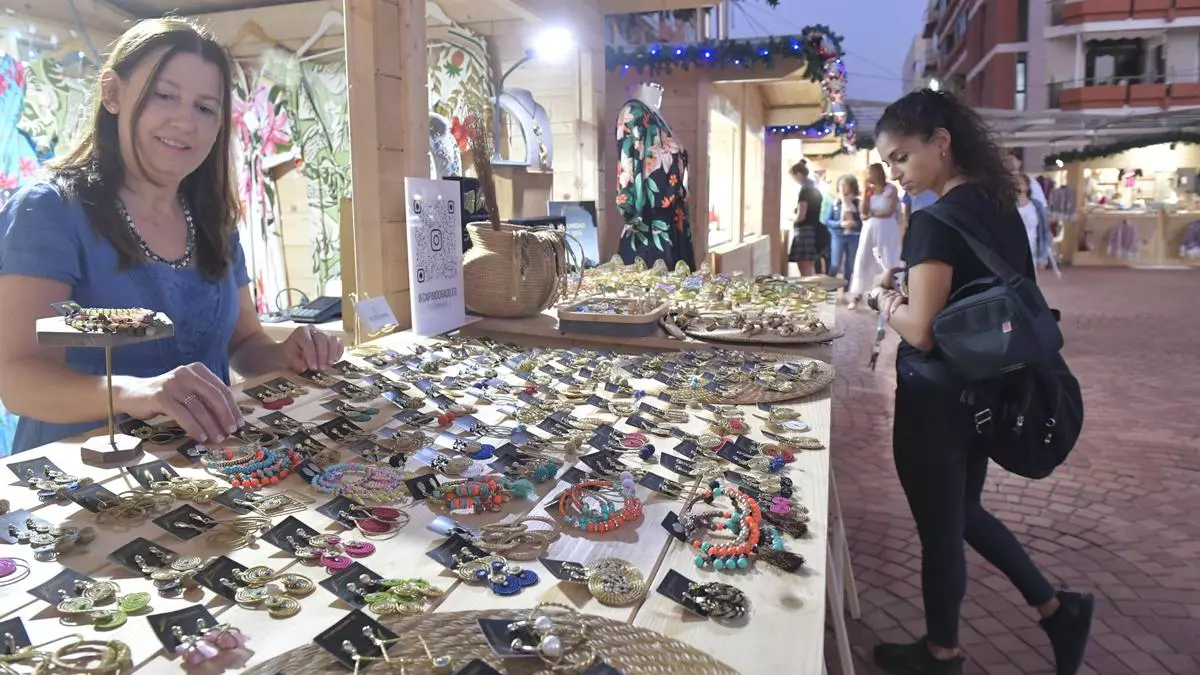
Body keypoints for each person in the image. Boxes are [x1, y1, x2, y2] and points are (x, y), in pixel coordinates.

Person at [0, 18, 344, 454]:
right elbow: (18, 379)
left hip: (211, 478)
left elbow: (244, 344)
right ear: (113, 93)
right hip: (84, 487)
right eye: (164, 96)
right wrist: (138, 392)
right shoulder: (48, 210)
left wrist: (285, 354)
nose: (184, 122)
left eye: (205, 107)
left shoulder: (214, 216)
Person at [870, 89, 1093, 675]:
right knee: (962, 511)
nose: (893, 173)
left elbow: (919, 329)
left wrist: (881, 297)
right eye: (887, 163)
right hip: (988, 391)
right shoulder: (994, 204)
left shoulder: (934, 220)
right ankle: (1055, 610)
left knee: (942, 528)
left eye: (900, 157)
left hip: (937, 399)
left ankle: (942, 652)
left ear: (940, 143)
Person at [846, 163, 902, 309]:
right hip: (870, 228)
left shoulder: (891, 189)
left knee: (887, 259)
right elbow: (863, 213)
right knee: (863, 258)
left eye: (870, 173)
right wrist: (865, 193)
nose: (868, 176)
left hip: (887, 228)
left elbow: (889, 211)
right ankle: (857, 294)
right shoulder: (869, 191)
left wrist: (872, 214)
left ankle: (890, 293)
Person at [822, 174, 862, 289]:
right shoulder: (835, 203)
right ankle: (830, 288)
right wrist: (840, 224)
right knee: (835, 264)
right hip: (838, 236)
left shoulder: (857, 203)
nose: (843, 188)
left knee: (850, 265)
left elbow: (862, 221)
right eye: (841, 185)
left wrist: (854, 223)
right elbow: (827, 220)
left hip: (854, 236)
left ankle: (846, 290)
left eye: (846, 186)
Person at [787, 160, 825, 276]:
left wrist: (792, 219)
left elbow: (801, 215)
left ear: (798, 174)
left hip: (804, 232)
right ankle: (812, 291)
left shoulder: (805, 191)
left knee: (804, 268)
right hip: (813, 229)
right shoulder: (815, 190)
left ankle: (808, 292)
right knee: (810, 266)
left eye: (794, 176)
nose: (794, 179)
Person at [1017, 173, 1054, 272]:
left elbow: (1044, 232)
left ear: (1027, 186)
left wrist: (1043, 258)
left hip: (1032, 251)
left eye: (1020, 183)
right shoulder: (1009, 206)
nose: (1017, 185)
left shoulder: (1037, 206)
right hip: (1014, 253)